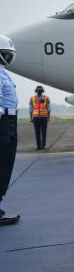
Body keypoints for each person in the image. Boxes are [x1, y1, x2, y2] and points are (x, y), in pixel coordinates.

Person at [0, 35, 20, 226]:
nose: (8, 56)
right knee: (1, 164)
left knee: (6, 163)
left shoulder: (3, 72)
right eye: (5, 53)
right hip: (3, 123)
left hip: (9, 121)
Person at [29, 85, 50, 150]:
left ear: (42, 91)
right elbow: (31, 109)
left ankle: (43, 145)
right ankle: (38, 146)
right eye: (38, 89)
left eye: (40, 89)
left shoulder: (46, 98)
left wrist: (48, 118)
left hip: (44, 117)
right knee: (37, 132)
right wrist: (31, 118)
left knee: (43, 132)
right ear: (36, 91)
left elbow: (49, 109)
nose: (39, 90)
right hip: (36, 117)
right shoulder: (32, 98)